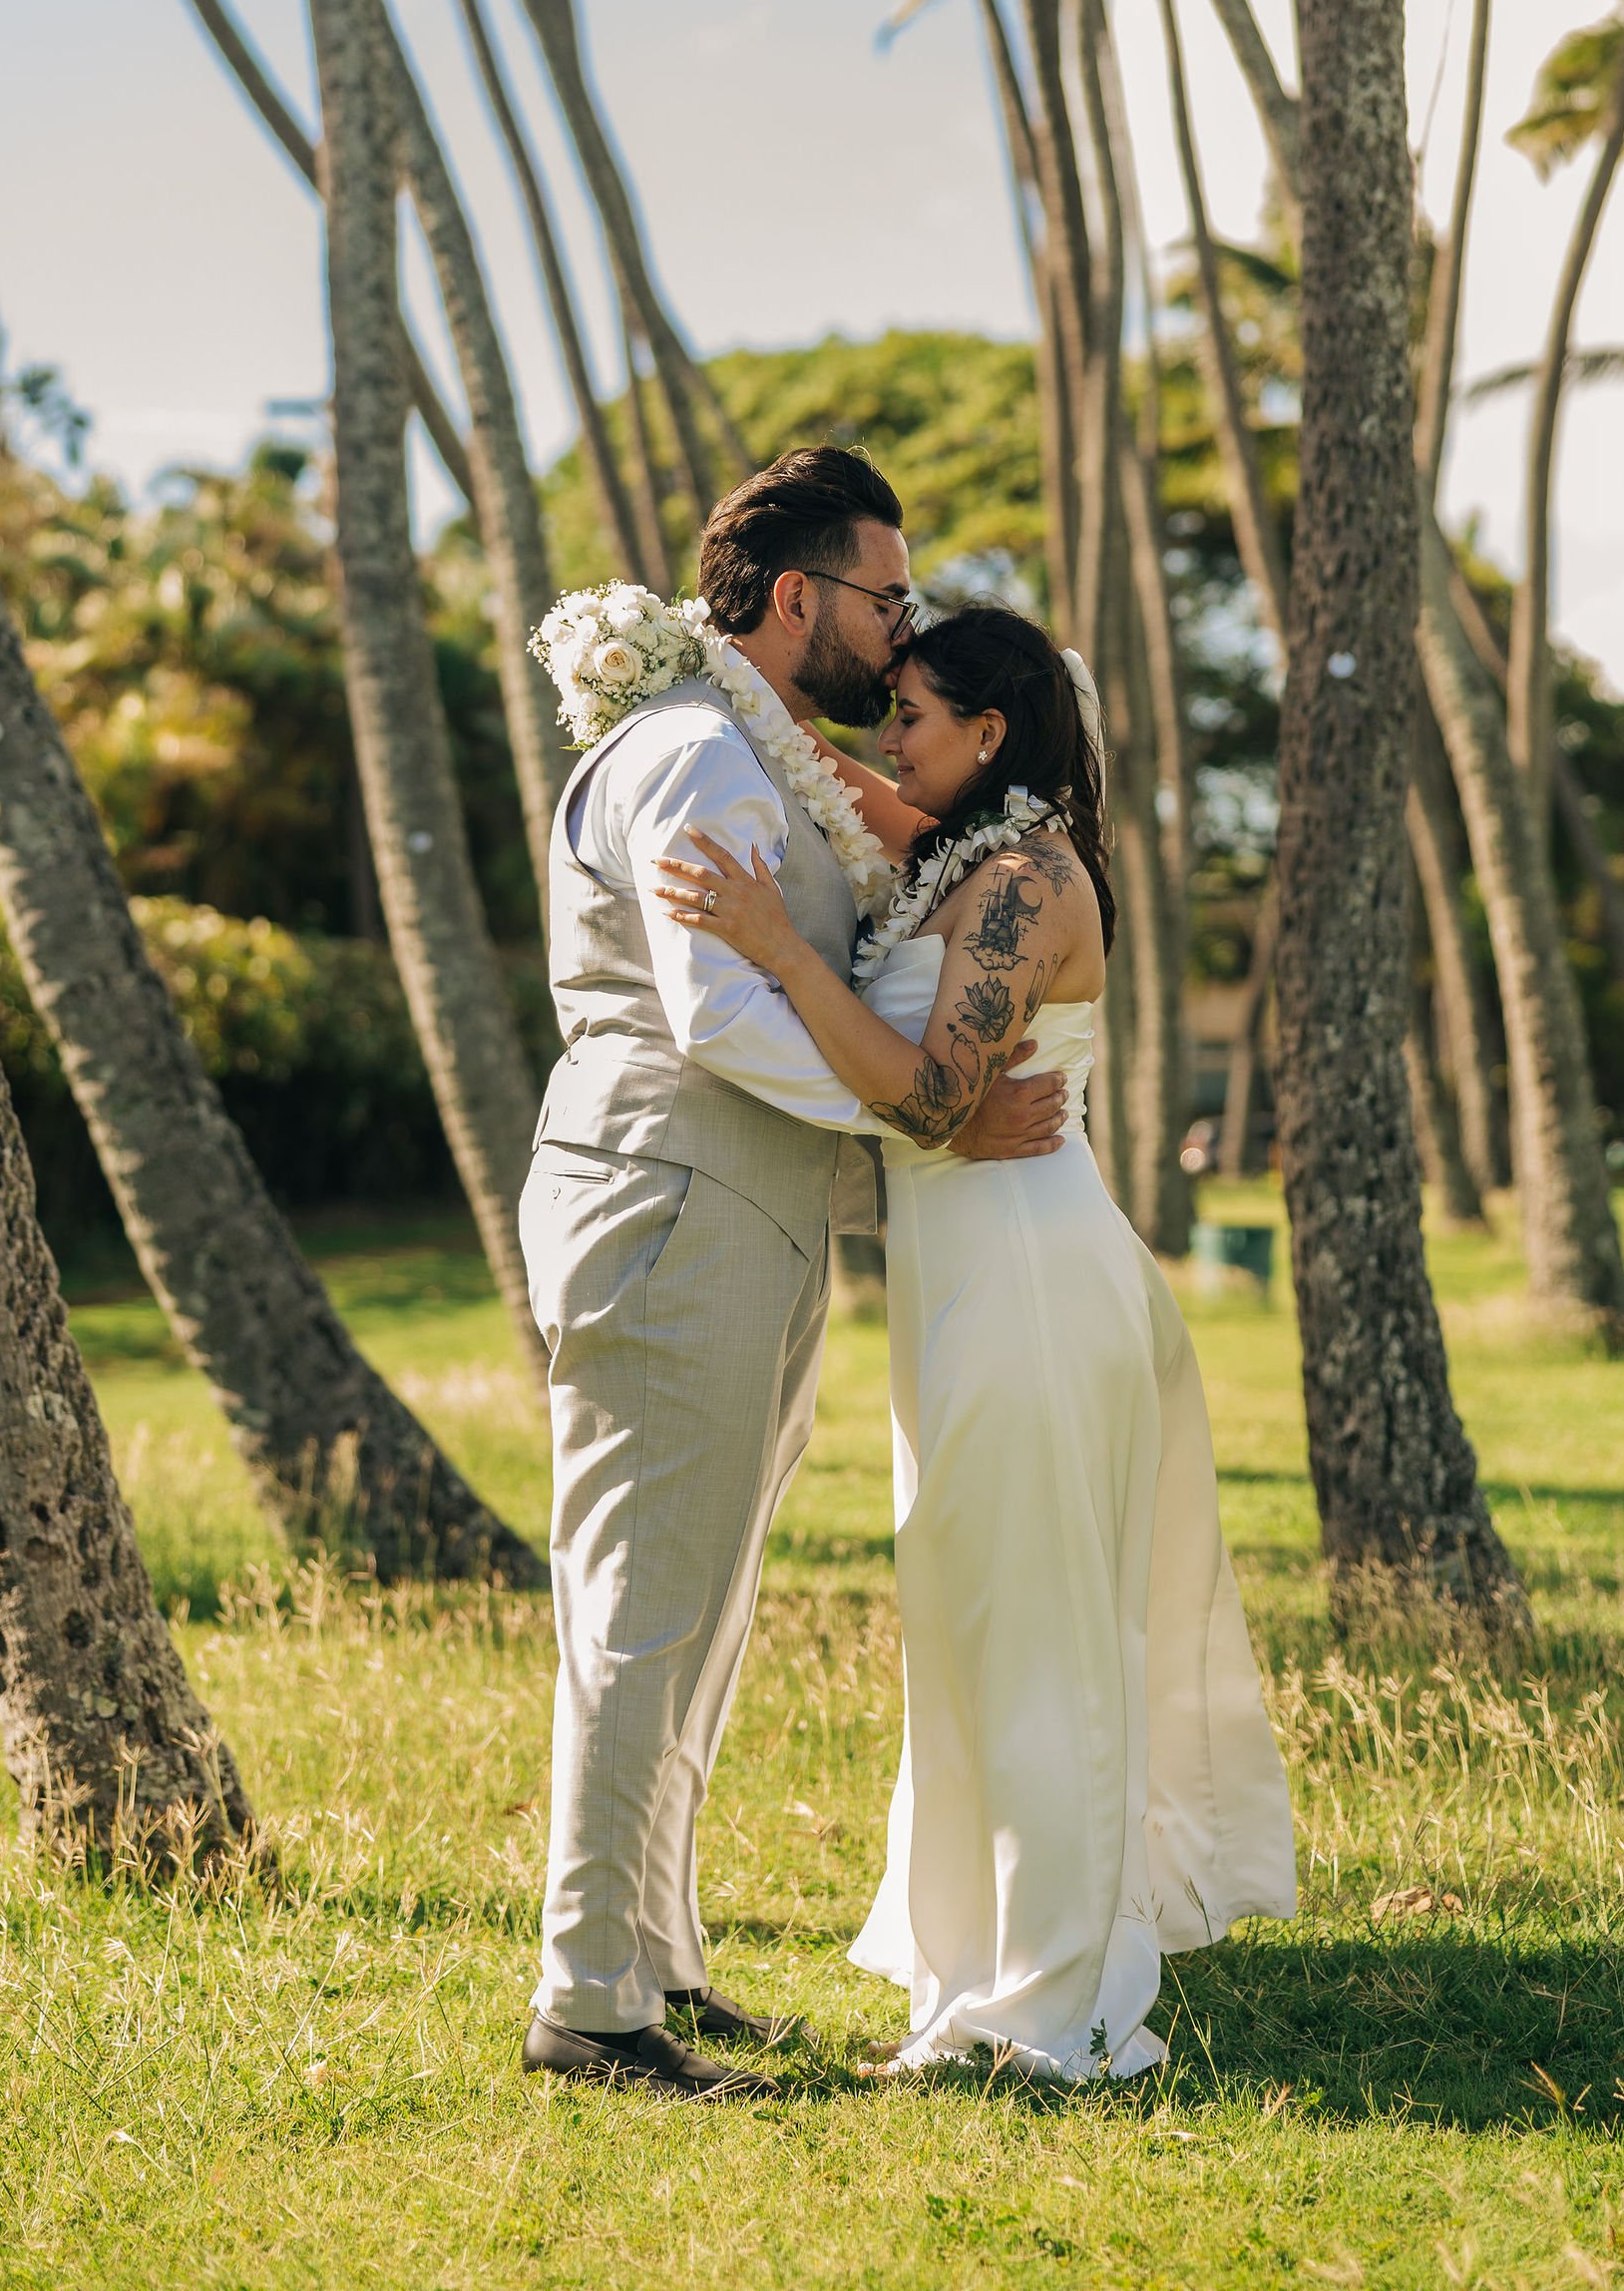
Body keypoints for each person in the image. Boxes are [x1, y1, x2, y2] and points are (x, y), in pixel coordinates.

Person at [654, 606, 1296, 2081]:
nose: (891, 742)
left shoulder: (1019, 881)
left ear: (989, 734)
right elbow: (822, 768)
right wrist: (672, 653)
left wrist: (773, 947)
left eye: (917, 715)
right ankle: (987, 1962)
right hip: (972, 1289)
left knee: (1041, 1645)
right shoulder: (961, 846)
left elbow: (939, 1098)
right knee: (974, 1633)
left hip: (1029, 1288)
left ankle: (1049, 2005)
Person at [519, 454, 1069, 2101]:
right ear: (791, 597)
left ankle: (655, 1961)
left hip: (741, 1201)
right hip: (675, 1187)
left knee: (706, 1606)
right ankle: (589, 2003)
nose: (899, 633)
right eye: (884, 599)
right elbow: (720, 1013)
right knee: (641, 1604)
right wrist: (930, 1117)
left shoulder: (760, 753)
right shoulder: (696, 753)